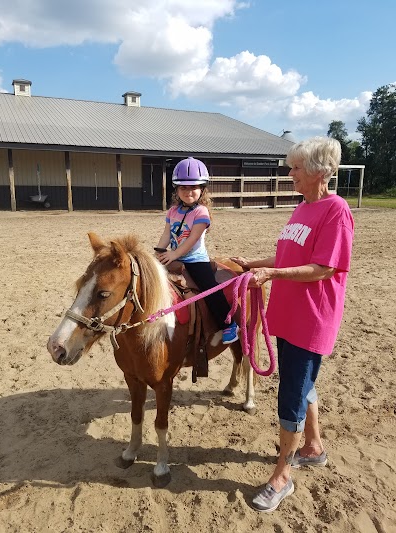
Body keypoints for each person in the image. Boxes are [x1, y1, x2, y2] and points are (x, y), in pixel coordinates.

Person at [231, 137, 354, 512]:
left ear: (319, 171)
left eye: (296, 168)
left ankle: (281, 477)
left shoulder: (336, 211)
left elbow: (324, 267)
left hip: (311, 320)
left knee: (291, 396)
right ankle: (313, 447)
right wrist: (254, 264)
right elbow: (288, 255)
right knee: (303, 385)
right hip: (288, 315)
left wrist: (272, 272)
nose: (290, 174)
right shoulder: (302, 209)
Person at [155, 156, 238, 344]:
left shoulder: (201, 212)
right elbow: (167, 234)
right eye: (183, 187)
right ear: (176, 189)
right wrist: (160, 251)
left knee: (210, 289)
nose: (188, 191)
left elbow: (192, 240)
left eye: (193, 187)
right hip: (175, 257)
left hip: (195, 260)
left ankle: (228, 324)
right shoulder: (172, 211)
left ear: (202, 189)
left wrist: (174, 254)